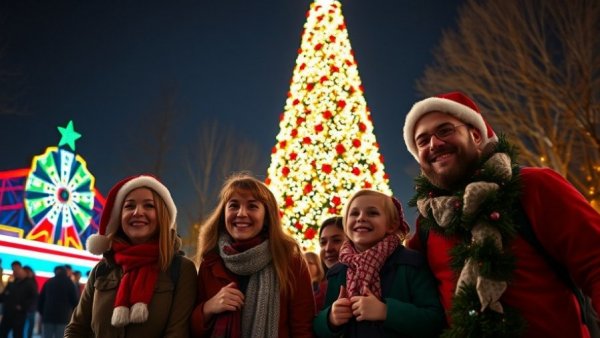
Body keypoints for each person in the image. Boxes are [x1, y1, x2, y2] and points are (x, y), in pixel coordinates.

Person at [402, 91, 600, 337]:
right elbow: (408, 291)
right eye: (422, 141)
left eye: (445, 130)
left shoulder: (534, 186)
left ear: (475, 135)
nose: (434, 144)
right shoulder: (427, 224)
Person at [65, 174, 197, 337]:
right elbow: (76, 329)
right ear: (119, 217)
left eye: (149, 206)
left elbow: (177, 333)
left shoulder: (181, 269)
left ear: (163, 215)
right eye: (129, 206)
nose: (138, 212)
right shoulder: (102, 269)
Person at [191, 173, 315, 337]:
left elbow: (303, 329)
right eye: (234, 206)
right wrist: (208, 308)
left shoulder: (290, 260)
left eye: (252, 206)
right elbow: (192, 329)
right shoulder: (211, 261)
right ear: (223, 214)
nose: (241, 213)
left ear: (266, 216)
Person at [313, 189, 445, 337]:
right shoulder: (337, 273)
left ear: (391, 225)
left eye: (372, 213)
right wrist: (330, 318)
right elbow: (318, 328)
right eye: (354, 213)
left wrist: (385, 311)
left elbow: (434, 320)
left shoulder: (410, 263)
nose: (361, 218)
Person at [38, 265, 78, 338]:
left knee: (46, 336)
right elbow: (74, 300)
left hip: (48, 316)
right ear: (65, 272)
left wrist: (42, 313)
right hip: (63, 317)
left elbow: (41, 299)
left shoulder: (49, 282)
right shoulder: (69, 283)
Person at [0, 261, 38, 338]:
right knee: (3, 333)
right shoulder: (12, 282)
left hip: (19, 315)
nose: (15, 272)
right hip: (8, 314)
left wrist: (23, 307)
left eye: (16, 269)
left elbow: (34, 298)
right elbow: (4, 296)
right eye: (13, 270)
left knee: (18, 334)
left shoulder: (29, 283)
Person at [21, 266, 38, 338]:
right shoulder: (32, 282)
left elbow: (34, 296)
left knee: (26, 327)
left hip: (28, 309)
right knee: (26, 327)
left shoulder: (30, 283)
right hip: (29, 309)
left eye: (28, 272)